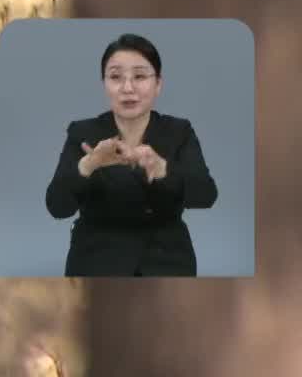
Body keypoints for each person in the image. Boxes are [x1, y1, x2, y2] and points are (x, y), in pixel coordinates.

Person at [44, 32, 219, 276]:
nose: (128, 88)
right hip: (96, 262)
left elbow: (206, 195)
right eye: (116, 77)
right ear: (104, 83)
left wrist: (162, 170)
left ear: (158, 84)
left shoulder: (179, 131)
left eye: (139, 76)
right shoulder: (83, 132)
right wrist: (89, 165)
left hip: (166, 261)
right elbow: (57, 207)